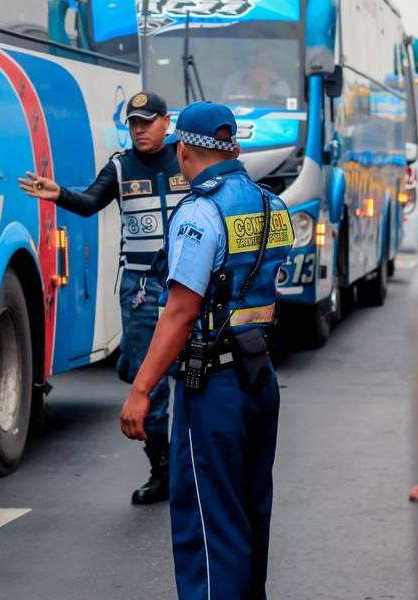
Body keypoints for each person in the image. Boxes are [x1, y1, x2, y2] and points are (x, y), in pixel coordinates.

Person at [119, 101, 294, 599]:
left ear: (183, 149)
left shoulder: (199, 211)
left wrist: (141, 389)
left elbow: (180, 311)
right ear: (233, 147)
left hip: (214, 389)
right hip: (260, 381)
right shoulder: (271, 205)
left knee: (208, 525)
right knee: (250, 512)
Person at [18, 91, 186, 505]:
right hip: (142, 288)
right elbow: (91, 201)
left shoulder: (187, 158)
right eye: (134, 124)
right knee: (142, 372)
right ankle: (161, 467)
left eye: (148, 122)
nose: (140, 130)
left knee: (192, 371)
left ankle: (184, 463)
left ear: (167, 122)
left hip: (188, 285)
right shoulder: (120, 167)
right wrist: (59, 194)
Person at [222, 53, 291, 103]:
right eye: (254, 65)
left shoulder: (280, 86)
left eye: (263, 66)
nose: (258, 70)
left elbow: (282, 113)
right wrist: (249, 87)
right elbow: (225, 106)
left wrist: (264, 90)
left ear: (271, 67)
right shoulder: (233, 80)